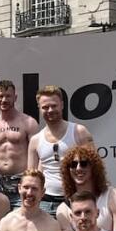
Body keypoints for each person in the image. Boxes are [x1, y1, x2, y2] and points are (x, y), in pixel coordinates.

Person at [28, 85, 93, 217]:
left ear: (62, 105)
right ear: (39, 109)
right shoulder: (35, 140)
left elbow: (94, 168)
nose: (50, 110)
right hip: (45, 201)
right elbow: (31, 176)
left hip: (75, 199)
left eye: (54, 106)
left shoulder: (79, 132)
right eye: (45, 107)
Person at [0, 80, 39, 209]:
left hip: (21, 182)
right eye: (0, 96)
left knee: (22, 223)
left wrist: (31, 181)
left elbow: (37, 155)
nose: (4, 100)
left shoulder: (29, 123)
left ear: (15, 97)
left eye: (8, 96)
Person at [57, 145, 116, 231]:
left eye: (84, 164)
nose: (78, 168)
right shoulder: (64, 209)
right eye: (73, 165)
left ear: (94, 168)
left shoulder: (115, 197)